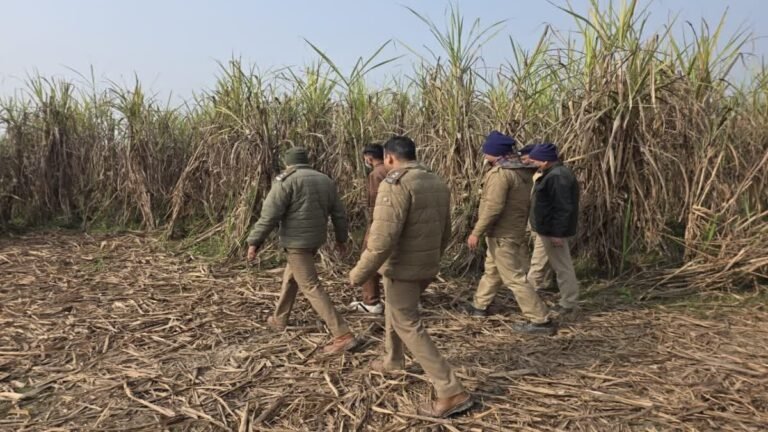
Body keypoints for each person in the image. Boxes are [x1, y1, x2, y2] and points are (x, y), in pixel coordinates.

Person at [349, 136, 472, 418]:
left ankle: (451, 390)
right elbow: (446, 230)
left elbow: (381, 240)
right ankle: (393, 360)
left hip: (403, 266)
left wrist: (359, 273)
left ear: (389, 158)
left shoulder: (395, 184)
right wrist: (433, 258)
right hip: (426, 262)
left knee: (407, 322)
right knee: (394, 310)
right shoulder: (435, 180)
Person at [246, 147, 359, 355]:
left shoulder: (286, 181)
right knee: (292, 276)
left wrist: (254, 242)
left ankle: (342, 334)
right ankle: (279, 319)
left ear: (287, 163)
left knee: (310, 286)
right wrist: (341, 239)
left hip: (297, 243)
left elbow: (269, 216)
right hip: (315, 240)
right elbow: (339, 214)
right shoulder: (324, 180)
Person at [465, 132, 556, 336]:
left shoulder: (501, 174)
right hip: (510, 231)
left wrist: (476, 232)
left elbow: (493, 207)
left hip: (502, 233)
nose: (484, 154)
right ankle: (479, 305)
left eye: (487, 151)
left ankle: (540, 319)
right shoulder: (521, 172)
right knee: (493, 270)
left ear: (496, 153)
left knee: (514, 278)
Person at [527, 143, 580, 313]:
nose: (532, 163)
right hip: (547, 230)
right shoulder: (553, 173)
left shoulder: (558, 176)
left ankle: (569, 303)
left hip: (552, 232)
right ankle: (529, 295)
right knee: (540, 263)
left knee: (562, 266)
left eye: (534, 160)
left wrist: (558, 233)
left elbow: (562, 207)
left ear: (544, 161)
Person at [348, 144, 388, 315]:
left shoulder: (376, 174)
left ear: (369, 157)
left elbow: (375, 201)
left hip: (379, 223)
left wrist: (372, 226)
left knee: (368, 258)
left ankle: (371, 301)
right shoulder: (394, 170)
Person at [520, 144, 554, 292]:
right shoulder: (529, 175)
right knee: (537, 253)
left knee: (541, 257)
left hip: (544, 223)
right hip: (531, 219)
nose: (526, 162)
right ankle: (537, 282)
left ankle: (536, 287)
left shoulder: (549, 176)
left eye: (526, 159)